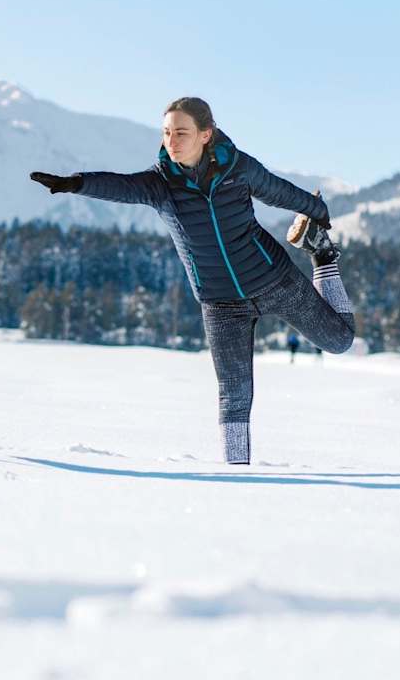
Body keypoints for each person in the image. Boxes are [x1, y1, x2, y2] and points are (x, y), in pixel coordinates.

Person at [30, 97, 354, 464]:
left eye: (182, 132)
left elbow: (279, 191)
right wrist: (76, 183)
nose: (172, 140)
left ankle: (323, 256)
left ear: (205, 134)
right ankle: (238, 475)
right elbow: (121, 186)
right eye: (167, 132)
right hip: (220, 302)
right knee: (234, 394)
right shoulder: (160, 184)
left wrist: (319, 212)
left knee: (340, 342)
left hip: (272, 278)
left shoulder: (238, 168)